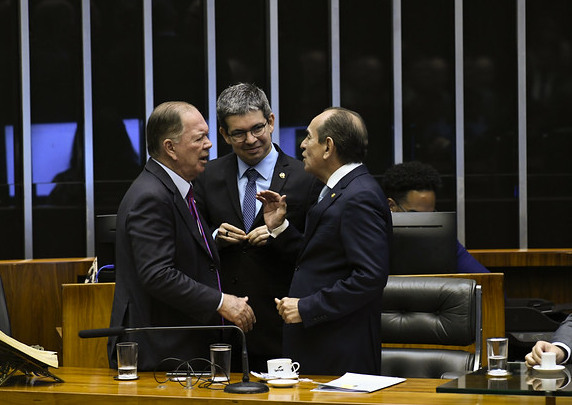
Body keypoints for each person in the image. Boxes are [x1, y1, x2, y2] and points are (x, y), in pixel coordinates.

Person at [107, 101, 256, 371]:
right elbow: (157, 274)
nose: (209, 144)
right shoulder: (151, 196)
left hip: (178, 348)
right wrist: (220, 301)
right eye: (199, 138)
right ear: (170, 148)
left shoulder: (178, 189)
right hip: (160, 352)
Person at [193, 83, 322, 371]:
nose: (251, 140)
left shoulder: (307, 178)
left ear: (271, 121)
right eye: (239, 133)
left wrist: (281, 232)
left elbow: (317, 254)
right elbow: (192, 242)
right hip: (223, 327)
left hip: (282, 324)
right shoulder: (207, 176)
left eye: (257, 128)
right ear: (224, 134)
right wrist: (215, 237)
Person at [257, 107, 391, 376]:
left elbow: (370, 277)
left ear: (328, 147)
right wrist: (280, 227)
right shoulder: (338, 190)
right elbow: (321, 257)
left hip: (340, 350)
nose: (302, 145)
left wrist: (307, 307)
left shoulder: (359, 196)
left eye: (308, 137)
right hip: (322, 343)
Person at [381, 161, 489, 274]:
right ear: (391, 206)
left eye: (431, 214)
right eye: (415, 214)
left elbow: (484, 278)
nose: (424, 223)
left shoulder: (442, 241)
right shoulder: (376, 239)